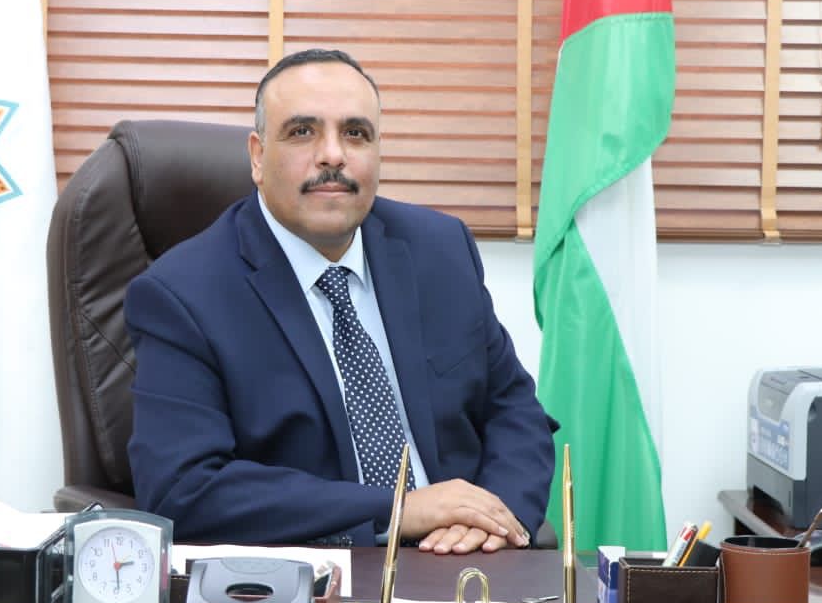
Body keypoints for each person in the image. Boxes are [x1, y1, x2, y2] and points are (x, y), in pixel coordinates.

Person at [124, 48, 556, 553]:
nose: (332, 155)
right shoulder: (182, 294)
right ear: (258, 157)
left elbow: (515, 412)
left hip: (465, 562)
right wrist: (397, 510)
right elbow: (184, 489)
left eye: (355, 133)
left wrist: (493, 518)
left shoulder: (440, 249)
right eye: (302, 132)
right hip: (321, 575)